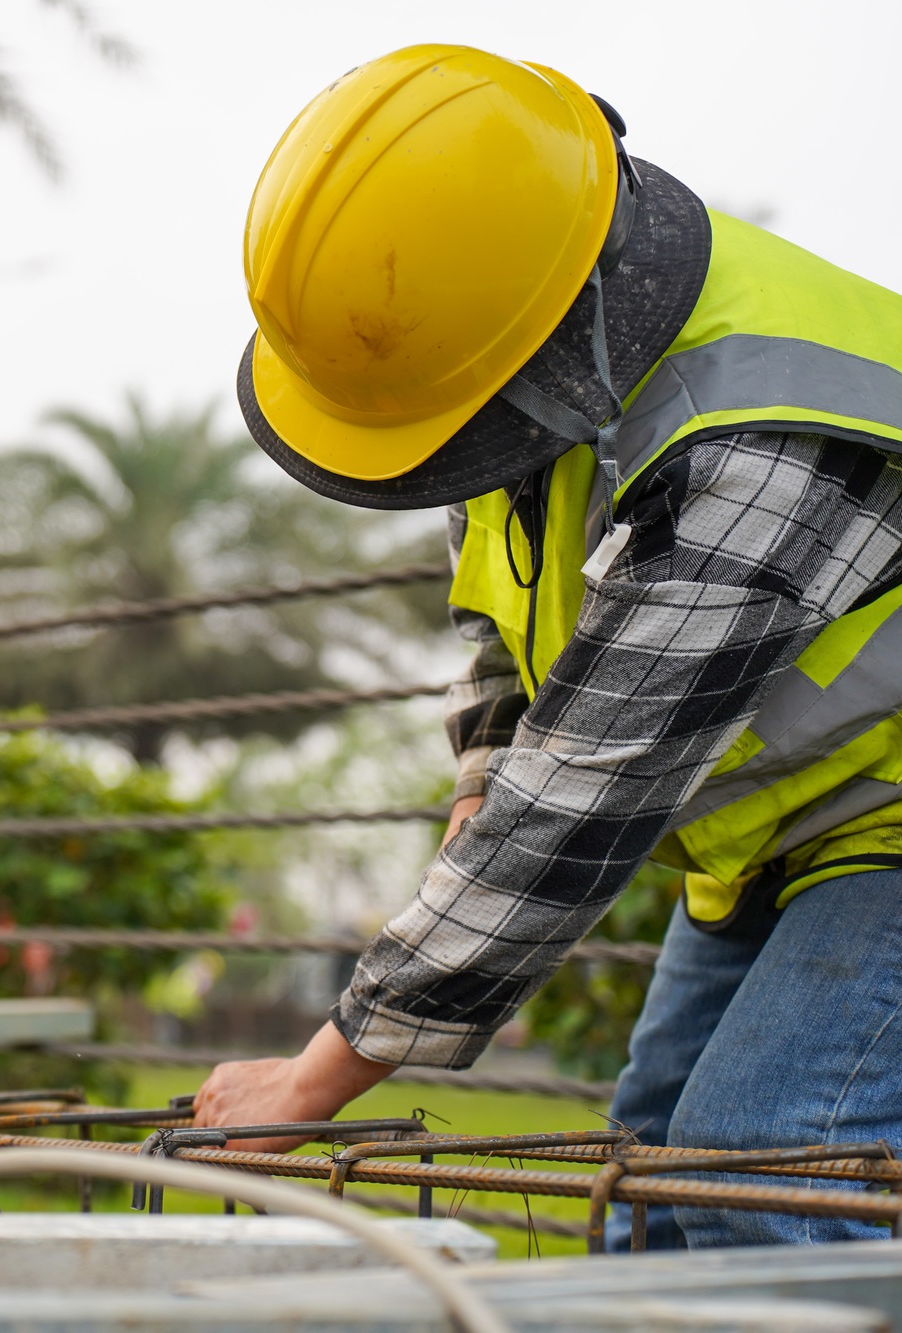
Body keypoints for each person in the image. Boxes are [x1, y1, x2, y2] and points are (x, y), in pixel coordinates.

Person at [192, 43, 902, 1251]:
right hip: (788, 823)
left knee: (761, 1170)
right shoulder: (527, 351)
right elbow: (499, 597)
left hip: (878, 813)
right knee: (643, 1180)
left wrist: (314, 1079)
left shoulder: (763, 440)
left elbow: (582, 796)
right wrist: (481, 771)